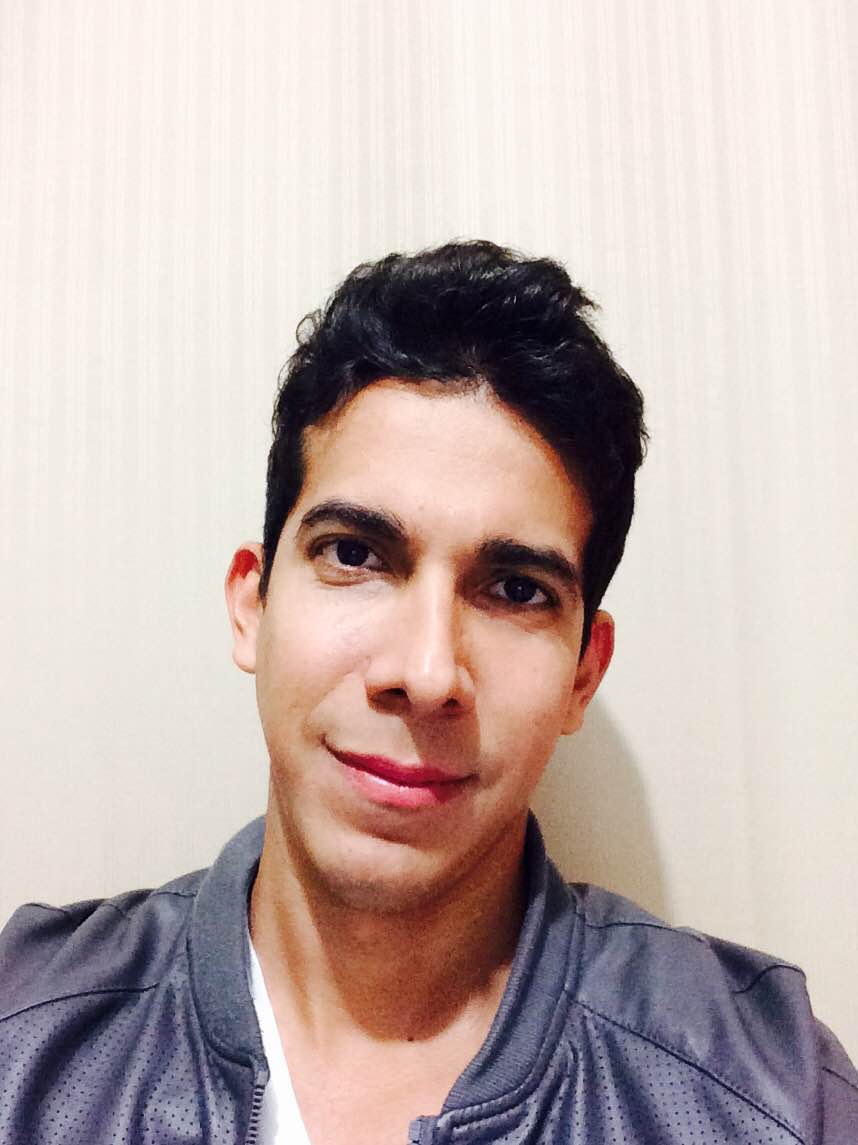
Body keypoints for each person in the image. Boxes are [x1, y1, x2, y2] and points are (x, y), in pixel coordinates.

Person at [1, 241, 855, 1145]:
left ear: (583, 673)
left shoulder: (767, 1092)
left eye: (516, 589)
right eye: (355, 553)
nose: (426, 671)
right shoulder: (26, 1040)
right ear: (253, 604)